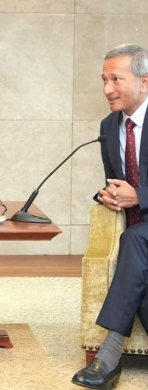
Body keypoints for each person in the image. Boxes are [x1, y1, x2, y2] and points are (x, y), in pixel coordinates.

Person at [72, 44, 148, 389]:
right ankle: (111, 354)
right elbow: (114, 181)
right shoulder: (108, 125)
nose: (107, 89)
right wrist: (109, 195)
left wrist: (140, 197)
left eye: (116, 79)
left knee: (133, 239)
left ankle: (109, 353)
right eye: (104, 79)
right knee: (134, 247)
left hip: (139, 233)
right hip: (138, 236)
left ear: (144, 82)